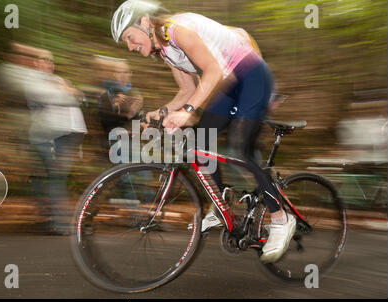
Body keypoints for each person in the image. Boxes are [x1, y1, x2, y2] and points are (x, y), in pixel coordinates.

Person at [110, 0, 295, 263]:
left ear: (144, 22)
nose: (130, 46)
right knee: (201, 138)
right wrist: (162, 112)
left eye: (129, 37)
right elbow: (187, 91)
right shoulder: (166, 50)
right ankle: (221, 206)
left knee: (239, 148)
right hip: (231, 84)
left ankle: (281, 218)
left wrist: (187, 110)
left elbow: (212, 71)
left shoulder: (178, 30)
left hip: (252, 74)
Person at [23, 46, 88, 235]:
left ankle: (52, 216)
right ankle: (58, 222)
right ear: (35, 63)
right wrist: (69, 91)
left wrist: (71, 91)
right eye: (44, 59)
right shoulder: (32, 80)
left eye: (51, 60)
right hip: (48, 135)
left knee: (57, 177)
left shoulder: (58, 80)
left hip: (69, 134)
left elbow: (81, 99)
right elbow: (52, 97)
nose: (49, 64)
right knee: (57, 177)